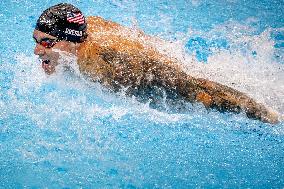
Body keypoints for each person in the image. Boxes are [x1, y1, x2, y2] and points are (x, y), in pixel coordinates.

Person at [33, 3, 279, 124]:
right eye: (36, 41)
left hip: (148, 67)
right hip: (145, 52)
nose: (37, 51)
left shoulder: (107, 63)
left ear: (71, 41)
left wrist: (266, 115)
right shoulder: (78, 36)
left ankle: (269, 113)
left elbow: (200, 89)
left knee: (200, 95)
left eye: (46, 42)